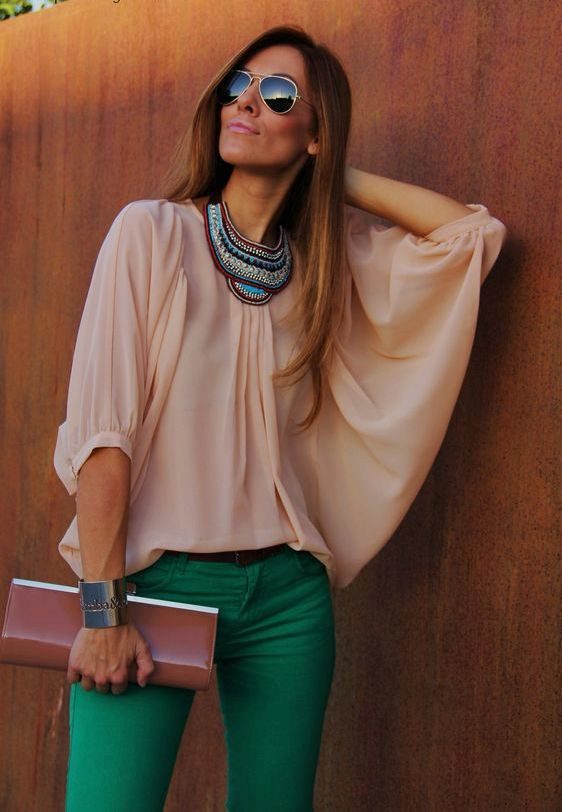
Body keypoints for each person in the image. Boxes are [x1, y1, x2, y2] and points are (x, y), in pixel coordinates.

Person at [54, 24, 506, 812]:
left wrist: (326, 171)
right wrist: (103, 608)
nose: (246, 104)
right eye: (238, 86)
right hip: (154, 587)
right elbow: (104, 438)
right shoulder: (151, 234)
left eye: (279, 95)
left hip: (287, 597)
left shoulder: (322, 266)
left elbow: (472, 236)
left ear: (316, 129)